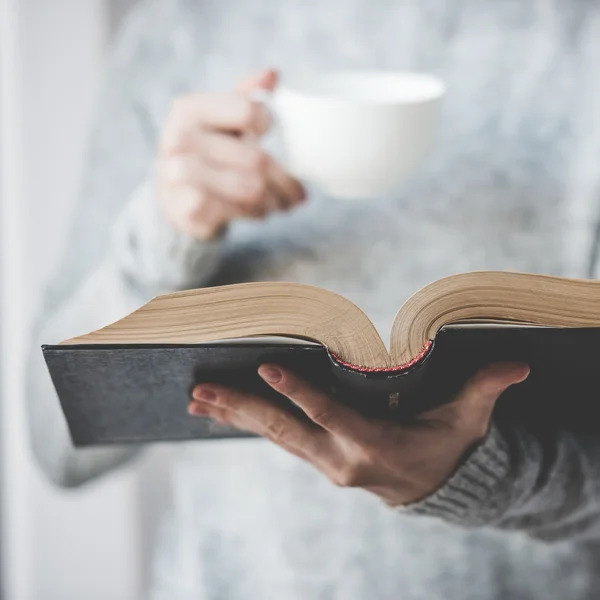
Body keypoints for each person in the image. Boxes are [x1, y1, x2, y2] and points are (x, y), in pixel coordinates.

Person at [27, 0, 600, 598]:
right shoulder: (179, 31)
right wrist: (163, 234)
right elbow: (55, 442)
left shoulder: (582, 44)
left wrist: (481, 479)